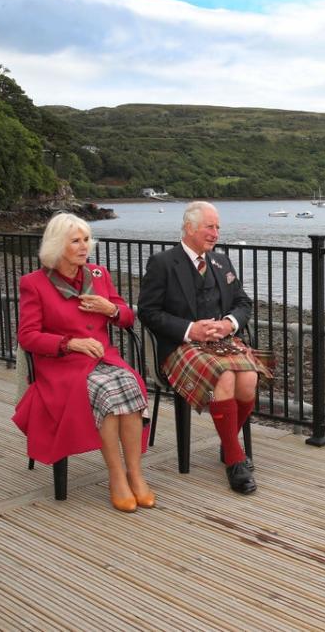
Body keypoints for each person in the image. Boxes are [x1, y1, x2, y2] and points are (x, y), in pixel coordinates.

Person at [15, 213, 154, 513]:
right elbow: (28, 336)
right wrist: (69, 343)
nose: (84, 246)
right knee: (107, 394)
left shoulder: (99, 275)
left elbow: (128, 318)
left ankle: (136, 474)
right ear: (56, 245)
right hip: (63, 367)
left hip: (103, 358)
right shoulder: (35, 283)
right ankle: (116, 477)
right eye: (75, 241)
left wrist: (111, 309)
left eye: (86, 240)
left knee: (130, 386)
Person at [137, 201, 270, 495]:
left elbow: (243, 303)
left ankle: (228, 443)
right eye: (210, 227)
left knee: (249, 378)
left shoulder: (222, 262)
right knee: (224, 377)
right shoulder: (162, 264)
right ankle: (235, 461)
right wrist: (190, 329)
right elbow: (147, 311)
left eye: (218, 227)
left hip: (222, 340)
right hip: (180, 347)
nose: (215, 233)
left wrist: (229, 324)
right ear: (189, 228)